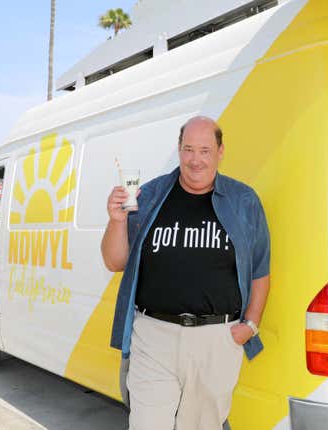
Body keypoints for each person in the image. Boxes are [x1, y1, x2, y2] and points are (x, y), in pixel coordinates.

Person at [102, 116, 271, 429]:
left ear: (220, 151)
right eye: (188, 149)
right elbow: (115, 261)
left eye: (205, 151)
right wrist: (116, 220)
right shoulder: (149, 196)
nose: (196, 160)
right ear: (178, 150)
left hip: (216, 340)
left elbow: (260, 269)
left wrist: (249, 325)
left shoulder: (244, 201)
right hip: (153, 336)